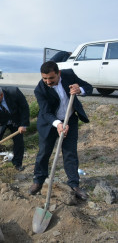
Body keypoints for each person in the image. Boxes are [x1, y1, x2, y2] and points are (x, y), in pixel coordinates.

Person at [29, 61, 92, 200]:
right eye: (44, 78)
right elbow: (45, 112)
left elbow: (89, 87)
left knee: (70, 152)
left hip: (70, 119)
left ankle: (74, 184)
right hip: (50, 122)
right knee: (44, 152)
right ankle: (38, 181)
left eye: (51, 78)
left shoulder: (69, 75)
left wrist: (79, 89)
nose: (48, 81)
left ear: (59, 73)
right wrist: (58, 124)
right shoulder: (40, 89)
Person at [0, 85, 30, 174]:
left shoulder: (14, 92)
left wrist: (23, 124)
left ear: (1, 95)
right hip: (0, 121)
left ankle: (17, 164)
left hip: (15, 119)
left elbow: (24, 107)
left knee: (19, 142)